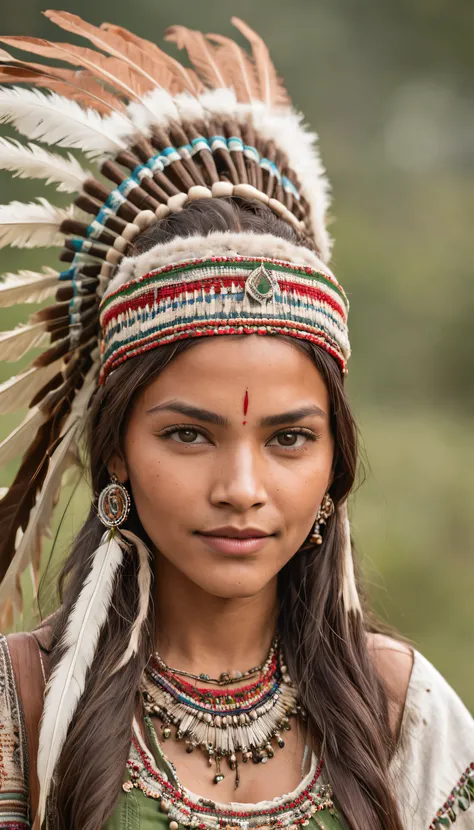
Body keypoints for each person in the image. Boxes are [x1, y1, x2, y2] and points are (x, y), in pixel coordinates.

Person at [0, 11, 471, 830]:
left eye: (289, 438)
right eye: (188, 434)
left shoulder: (406, 717)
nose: (242, 489)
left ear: (335, 462)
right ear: (115, 451)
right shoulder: (22, 712)